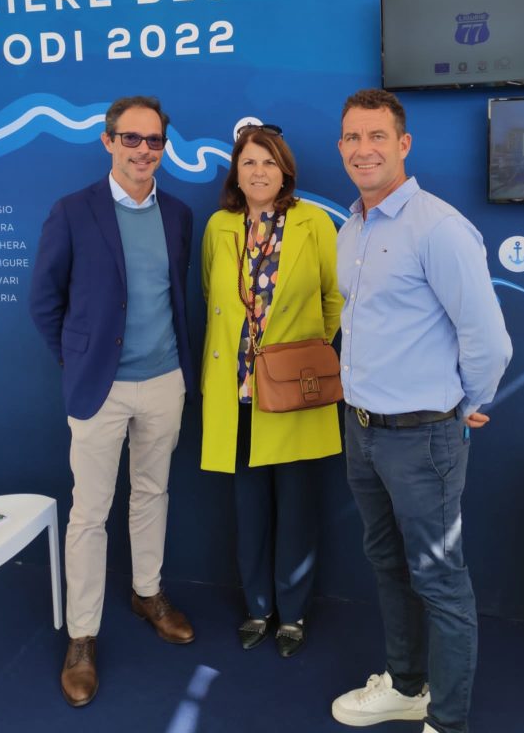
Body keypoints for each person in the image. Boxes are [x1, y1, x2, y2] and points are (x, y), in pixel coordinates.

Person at [331, 89, 512, 733]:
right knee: (387, 565)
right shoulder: (351, 228)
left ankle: (448, 721)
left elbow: (488, 339)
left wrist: (467, 404)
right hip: (362, 431)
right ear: (341, 147)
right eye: (353, 137)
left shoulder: (437, 227)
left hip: (422, 440)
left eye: (377, 136)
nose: (364, 149)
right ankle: (408, 687)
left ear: (403, 144)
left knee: (439, 581)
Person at [30, 95, 195, 707]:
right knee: (89, 514)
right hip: (99, 389)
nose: (143, 150)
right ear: (108, 141)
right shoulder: (72, 212)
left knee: (153, 493)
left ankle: (147, 593)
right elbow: (44, 302)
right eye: (131, 138)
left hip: (165, 381)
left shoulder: (178, 215)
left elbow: (175, 295)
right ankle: (82, 636)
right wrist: (78, 361)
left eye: (154, 141)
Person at [201, 123, 343, 657]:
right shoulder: (219, 226)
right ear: (236, 174)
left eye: (268, 162)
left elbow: (334, 298)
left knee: (297, 507)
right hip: (238, 395)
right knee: (250, 509)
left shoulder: (314, 222)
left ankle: (294, 612)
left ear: (284, 171)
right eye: (248, 162)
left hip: (295, 391)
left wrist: (306, 357)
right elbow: (212, 295)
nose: (258, 172)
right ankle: (258, 608)